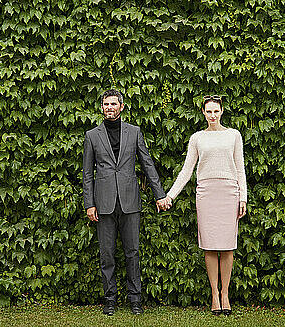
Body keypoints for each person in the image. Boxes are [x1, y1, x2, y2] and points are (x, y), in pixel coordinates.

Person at [82, 89, 169, 315]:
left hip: (130, 201)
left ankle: (135, 300)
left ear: (121, 106)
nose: (109, 107)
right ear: (102, 107)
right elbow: (87, 174)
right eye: (105, 104)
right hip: (103, 202)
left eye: (113, 104)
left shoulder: (134, 132)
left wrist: (159, 194)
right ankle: (109, 299)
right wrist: (89, 204)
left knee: (133, 252)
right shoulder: (92, 136)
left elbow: (147, 164)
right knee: (107, 254)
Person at [162, 95, 247, 315]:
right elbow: (186, 170)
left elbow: (240, 169)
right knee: (209, 245)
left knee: (228, 246)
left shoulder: (233, 135)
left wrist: (243, 197)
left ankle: (226, 293)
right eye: (208, 111)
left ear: (222, 111)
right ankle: (214, 295)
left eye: (216, 111)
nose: (212, 115)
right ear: (203, 112)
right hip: (206, 194)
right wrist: (170, 195)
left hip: (229, 193)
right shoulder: (197, 138)